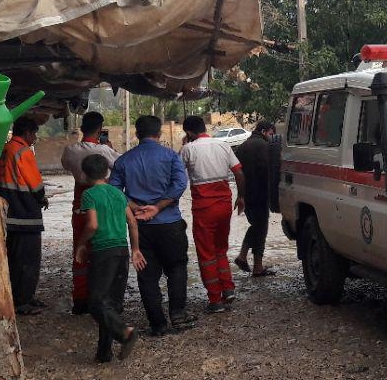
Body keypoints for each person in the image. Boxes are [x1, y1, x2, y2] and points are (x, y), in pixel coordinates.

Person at [109, 116, 195, 336]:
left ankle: (157, 324)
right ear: (160, 133)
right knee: (177, 268)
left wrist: (135, 205)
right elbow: (180, 184)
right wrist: (157, 207)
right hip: (170, 223)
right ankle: (177, 312)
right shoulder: (170, 157)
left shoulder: (124, 161)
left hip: (140, 227)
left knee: (147, 275)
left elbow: (114, 190)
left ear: (137, 134)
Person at [73, 154, 142, 363]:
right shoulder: (118, 193)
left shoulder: (89, 195)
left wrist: (81, 243)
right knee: (110, 303)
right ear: (107, 173)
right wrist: (135, 249)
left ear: (84, 174)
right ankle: (104, 352)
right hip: (121, 249)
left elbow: (92, 225)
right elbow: (132, 222)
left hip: (103, 251)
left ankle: (125, 332)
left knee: (95, 303)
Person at [179, 115, 246, 313]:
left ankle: (215, 299)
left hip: (203, 209)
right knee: (220, 249)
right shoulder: (223, 145)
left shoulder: (188, 149)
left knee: (206, 254)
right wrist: (241, 197)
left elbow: (176, 175)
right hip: (225, 206)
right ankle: (228, 289)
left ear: (189, 133)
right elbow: (239, 174)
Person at [61, 112, 120, 315]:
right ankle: (102, 296)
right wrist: (109, 149)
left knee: (81, 247)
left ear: (81, 128)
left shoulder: (70, 150)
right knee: (103, 246)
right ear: (99, 128)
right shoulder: (105, 150)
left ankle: (80, 298)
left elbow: (66, 165)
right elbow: (120, 165)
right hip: (103, 200)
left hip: (79, 201)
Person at [0, 117, 48, 315]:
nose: (34, 138)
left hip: (7, 214)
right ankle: (23, 300)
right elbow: (36, 185)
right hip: (25, 213)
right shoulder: (23, 151)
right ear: (27, 133)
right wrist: (42, 198)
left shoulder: (3, 149)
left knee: (13, 258)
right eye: (34, 134)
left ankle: (17, 296)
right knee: (28, 259)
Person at [232, 121, 277, 277]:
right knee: (261, 228)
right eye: (271, 133)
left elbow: (238, 172)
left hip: (246, 194)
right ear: (264, 131)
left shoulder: (243, 146)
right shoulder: (264, 147)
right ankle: (255, 265)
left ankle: (244, 257)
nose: (272, 137)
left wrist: (241, 195)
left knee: (256, 226)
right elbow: (267, 172)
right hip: (261, 193)